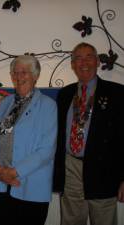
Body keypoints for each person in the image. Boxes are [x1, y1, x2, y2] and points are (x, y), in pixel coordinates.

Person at [53, 42, 124, 225]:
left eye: (88, 57)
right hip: (71, 168)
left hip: (104, 171)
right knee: (71, 221)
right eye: (78, 58)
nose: (83, 62)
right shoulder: (65, 94)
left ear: (98, 61)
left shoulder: (117, 93)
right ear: (72, 64)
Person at [0, 55, 57, 225]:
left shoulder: (48, 105)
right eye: (15, 73)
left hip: (30, 186)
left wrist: (12, 172)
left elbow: (46, 150)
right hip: (1, 184)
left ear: (35, 76)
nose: (18, 77)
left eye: (24, 72)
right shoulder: (6, 103)